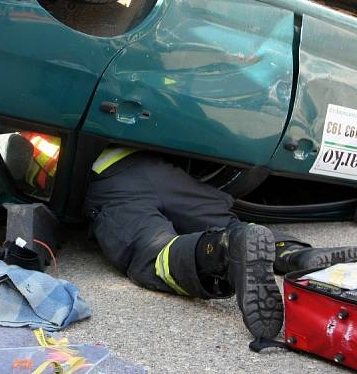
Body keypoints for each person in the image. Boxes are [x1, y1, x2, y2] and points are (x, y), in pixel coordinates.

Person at [84, 146, 357, 341]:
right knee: (229, 222)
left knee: (152, 254)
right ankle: (296, 255)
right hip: (165, 169)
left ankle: (225, 249)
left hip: (110, 176)